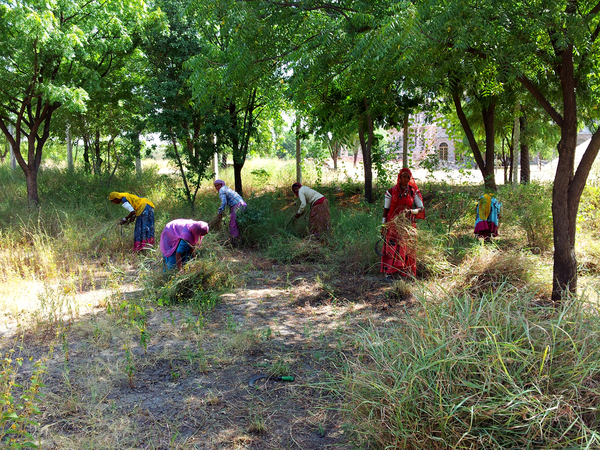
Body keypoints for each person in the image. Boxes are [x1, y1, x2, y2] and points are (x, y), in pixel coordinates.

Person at [380, 168, 425, 278]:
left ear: (410, 179)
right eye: (403, 176)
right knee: (392, 247)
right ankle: (390, 273)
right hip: (393, 223)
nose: (405, 179)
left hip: (407, 224)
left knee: (406, 247)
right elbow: (386, 209)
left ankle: (405, 272)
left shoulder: (412, 191)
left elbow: (421, 208)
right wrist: (383, 225)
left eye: (407, 177)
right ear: (399, 178)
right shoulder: (391, 191)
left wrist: (411, 211)